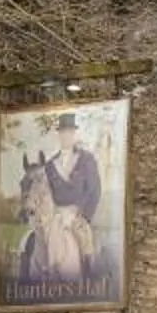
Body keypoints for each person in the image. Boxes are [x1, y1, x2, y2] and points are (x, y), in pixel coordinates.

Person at [13, 111, 102, 296]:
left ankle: (90, 283)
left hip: (77, 213)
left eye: (69, 132)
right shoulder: (50, 164)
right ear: (59, 135)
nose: (66, 136)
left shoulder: (87, 160)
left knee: (86, 241)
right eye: (62, 132)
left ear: (75, 134)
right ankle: (23, 285)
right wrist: (35, 211)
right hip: (54, 213)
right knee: (27, 241)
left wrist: (84, 215)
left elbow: (95, 190)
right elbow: (43, 191)